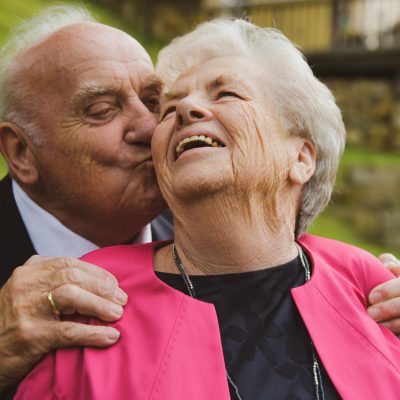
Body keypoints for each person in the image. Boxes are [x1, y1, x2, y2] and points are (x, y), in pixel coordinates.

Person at [15, 19, 400, 400]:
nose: (185, 110)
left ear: (300, 157)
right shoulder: (89, 300)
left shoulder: (373, 290)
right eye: (169, 109)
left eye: (226, 94)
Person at [0, 5, 174, 397]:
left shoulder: (204, 242)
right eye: (101, 111)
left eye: (152, 100)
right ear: (22, 153)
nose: (150, 128)